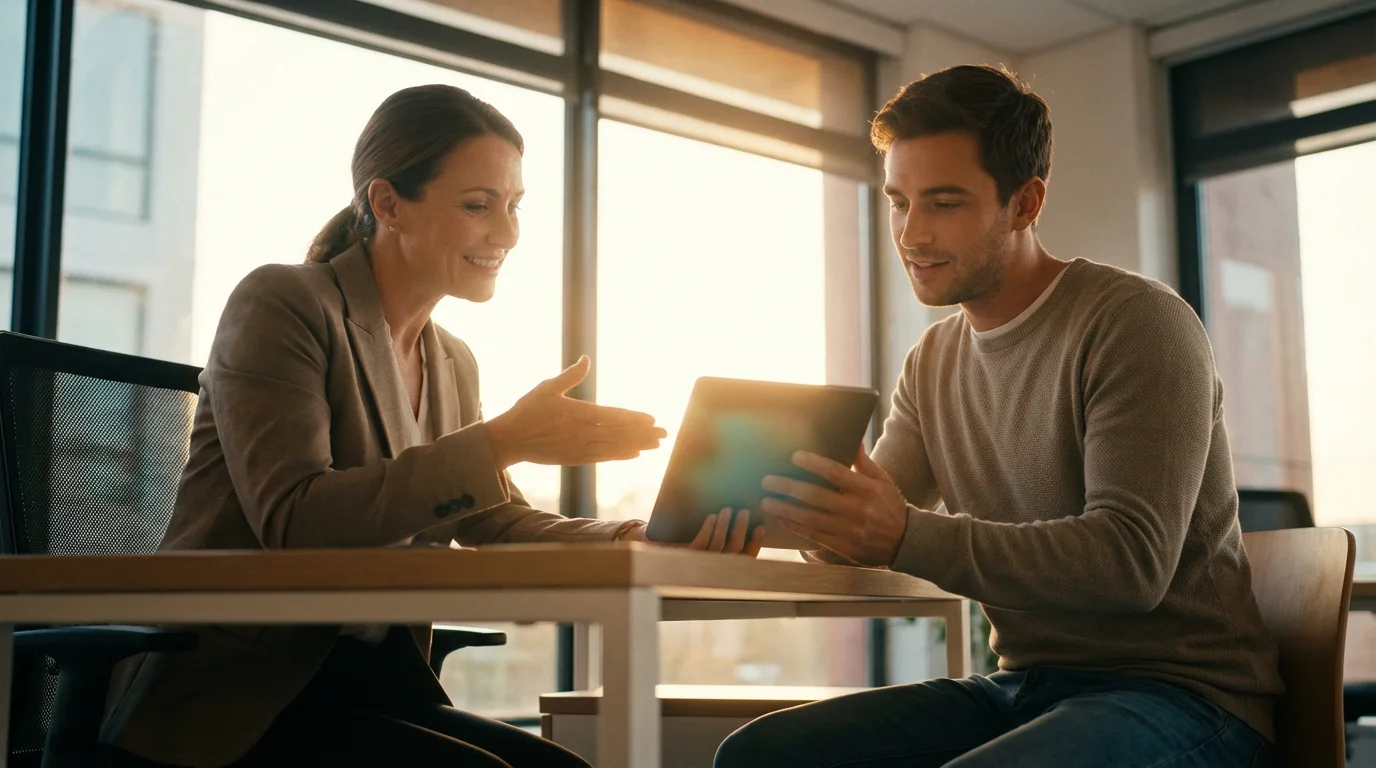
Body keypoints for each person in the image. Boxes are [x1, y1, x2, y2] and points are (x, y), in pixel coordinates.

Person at [101, 84, 763, 768]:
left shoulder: (451, 360)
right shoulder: (284, 304)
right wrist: (504, 440)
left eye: (513, 207)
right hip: (236, 698)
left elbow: (493, 523)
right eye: (478, 206)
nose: (505, 233)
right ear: (388, 204)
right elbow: (295, 522)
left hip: (369, 687)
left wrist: (641, 537)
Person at [715, 65, 1282, 768]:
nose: (911, 234)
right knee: (762, 757)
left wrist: (899, 532)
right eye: (899, 202)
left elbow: (1129, 564)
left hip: (1185, 697)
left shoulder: (1137, 322)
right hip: (1026, 686)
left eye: (944, 203)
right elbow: (883, 520)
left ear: (1024, 203)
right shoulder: (933, 362)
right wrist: (807, 519)